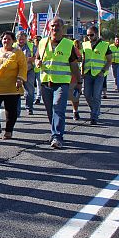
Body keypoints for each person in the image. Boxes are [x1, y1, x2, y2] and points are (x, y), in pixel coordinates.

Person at [34, 17, 81, 149]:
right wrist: (36, 62)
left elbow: (74, 66)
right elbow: (37, 58)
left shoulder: (68, 44)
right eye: (53, 26)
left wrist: (79, 81)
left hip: (61, 83)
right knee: (50, 111)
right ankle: (54, 131)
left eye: (57, 26)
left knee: (58, 108)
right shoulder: (42, 42)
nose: (55, 28)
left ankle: (57, 136)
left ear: (62, 28)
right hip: (45, 82)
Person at [81, 25, 112, 125]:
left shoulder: (104, 45)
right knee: (86, 94)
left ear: (96, 34)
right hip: (88, 73)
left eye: (91, 35)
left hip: (99, 74)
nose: (89, 37)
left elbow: (109, 60)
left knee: (96, 95)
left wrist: (103, 71)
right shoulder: (85, 45)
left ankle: (94, 116)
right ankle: (94, 108)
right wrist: (82, 72)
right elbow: (83, 59)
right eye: (88, 35)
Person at [16, 31, 36, 115]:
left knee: (30, 91)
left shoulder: (31, 46)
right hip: (16, 72)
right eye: (20, 39)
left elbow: (37, 56)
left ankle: (29, 107)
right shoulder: (13, 46)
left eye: (23, 39)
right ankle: (17, 110)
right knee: (16, 91)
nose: (21, 41)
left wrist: (30, 59)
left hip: (29, 70)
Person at [69, 39, 84, 120]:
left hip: (73, 76)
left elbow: (79, 58)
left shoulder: (72, 48)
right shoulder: (48, 46)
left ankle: (75, 111)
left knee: (74, 96)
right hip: (57, 78)